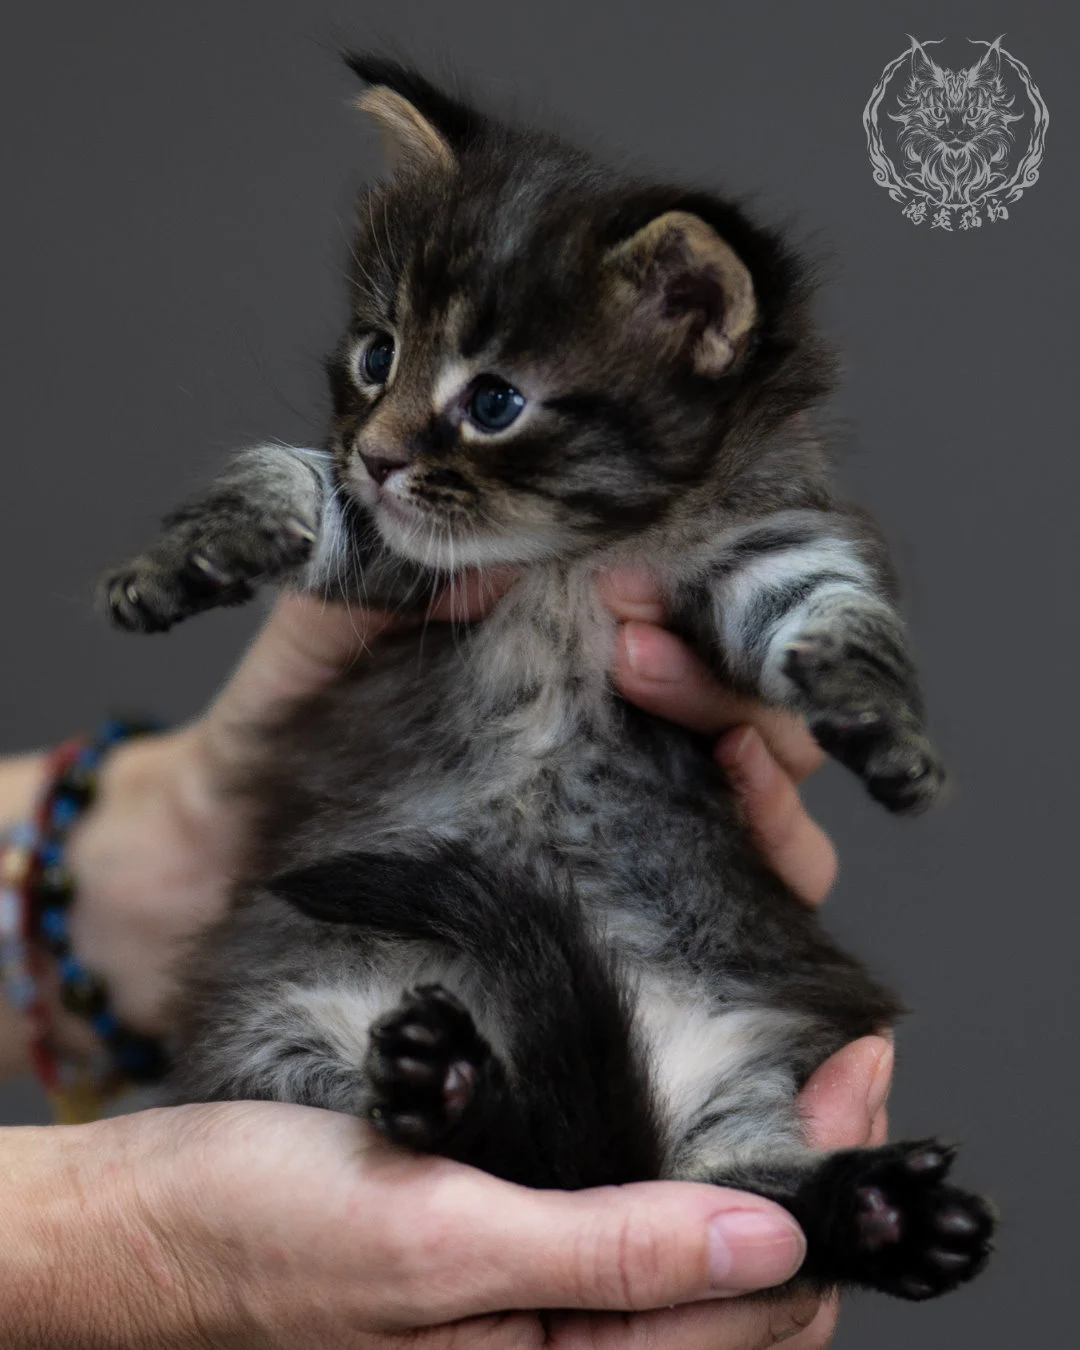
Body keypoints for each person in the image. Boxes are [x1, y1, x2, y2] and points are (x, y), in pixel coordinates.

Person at [0, 571, 892, 1349]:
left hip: (569, 1003)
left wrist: (177, 841)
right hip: (421, 978)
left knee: (732, 1118)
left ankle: (800, 1201)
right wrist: (122, 1240)